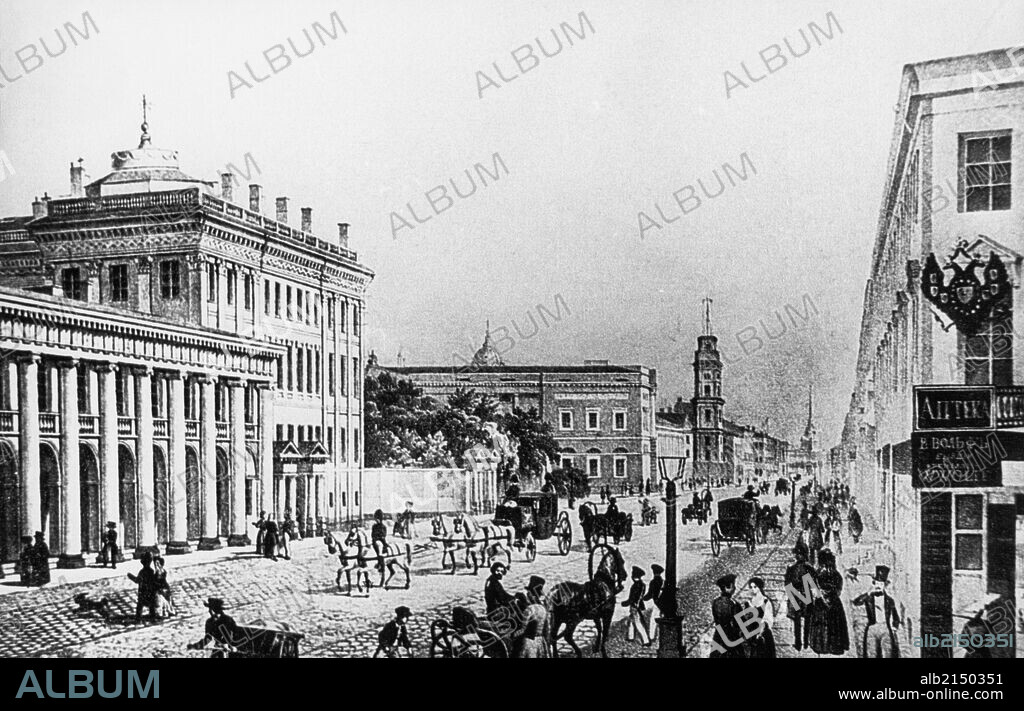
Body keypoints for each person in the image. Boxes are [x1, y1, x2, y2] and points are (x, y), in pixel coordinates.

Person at [852, 565, 901, 658]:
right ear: (874, 583)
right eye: (877, 583)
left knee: (887, 654)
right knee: (871, 654)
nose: (879, 586)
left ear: (885, 585)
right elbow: (856, 602)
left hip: (885, 628)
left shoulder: (889, 600)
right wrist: (868, 593)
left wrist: (894, 628)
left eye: (881, 584)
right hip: (872, 628)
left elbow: (896, 617)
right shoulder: (869, 598)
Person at [807, 548, 849, 656]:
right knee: (835, 624)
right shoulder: (837, 575)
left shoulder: (816, 574)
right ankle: (835, 646)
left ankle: (822, 646)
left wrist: (822, 596)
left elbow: (814, 592)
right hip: (834, 604)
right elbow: (839, 590)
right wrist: (831, 597)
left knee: (821, 625)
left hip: (821, 604)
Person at [785, 542, 816, 652]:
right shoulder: (809, 568)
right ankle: (806, 642)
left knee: (797, 620)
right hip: (806, 593)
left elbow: (787, 584)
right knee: (807, 619)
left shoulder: (791, 568)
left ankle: (798, 643)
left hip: (795, 594)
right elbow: (814, 584)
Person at [710, 573, 744, 658]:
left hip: (718, 635)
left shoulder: (715, 602)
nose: (735, 588)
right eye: (733, 586)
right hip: (731, 637)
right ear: (726, 588)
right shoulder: (733, 604)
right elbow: (738, 622)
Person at [744, 577, 776, 658]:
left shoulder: (765, 601)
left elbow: (768, 619)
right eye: (751, 587)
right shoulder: (748, 603)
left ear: (760, 587)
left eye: (755, 587)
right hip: (751, 635)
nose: (753, 589)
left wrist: (760, 632)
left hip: (763, 634)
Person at [843, 567, 869, 657]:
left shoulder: (857, 580)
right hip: (857, 616)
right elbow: (855, 600)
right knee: (860, 641)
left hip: (863, 615)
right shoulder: (848, 582)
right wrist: (868, 594)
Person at [622, 566, 651, 645]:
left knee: (638, 623)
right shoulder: (641, 584)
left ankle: (646, 640)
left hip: (635, 606)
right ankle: (630, 637)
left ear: (635, 576)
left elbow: (635, 597)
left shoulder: (637, 585)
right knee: (631, 621)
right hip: (636, 605)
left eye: (633, 575)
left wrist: (626, 603)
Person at [128, 552, 159, 623]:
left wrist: (130, 576)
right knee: (151, 606)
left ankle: (138, 619)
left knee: (140, 605)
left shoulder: (142, 572)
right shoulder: (151, 571)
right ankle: (153, 618)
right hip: (151, 592)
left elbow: (137, 580)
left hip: (143, 591)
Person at [644, 564, 665, 642]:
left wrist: (644, 599)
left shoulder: (653, 582)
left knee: (653, 620)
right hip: (663, 602)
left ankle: (652, 637)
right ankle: (658, 636)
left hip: (656, 603)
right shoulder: (663, 581)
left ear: (653, 572)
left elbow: (650, 594)